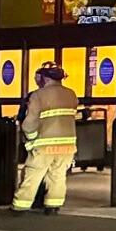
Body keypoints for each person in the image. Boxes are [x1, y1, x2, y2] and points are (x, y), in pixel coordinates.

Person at [8, 65, 76, 216]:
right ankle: (53, 206)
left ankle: (20, 206)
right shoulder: (71, 94)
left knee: (32, 175)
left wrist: (30, 139)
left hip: (45, 144)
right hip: (67, 144)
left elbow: (30, 122)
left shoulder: (38, 95)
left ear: (45, 78)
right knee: (58, 176)